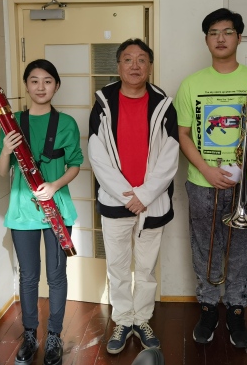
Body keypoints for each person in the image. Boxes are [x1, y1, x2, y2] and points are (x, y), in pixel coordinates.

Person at [174, 8, 247, 348]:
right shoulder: (191, 84)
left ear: (239, 37)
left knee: (240, 249)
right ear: (206, 39)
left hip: (245, 181)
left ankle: (236, 310)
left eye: (228, 32)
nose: (220, 38)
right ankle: (208, 308)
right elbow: (183, 134)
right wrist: (207, 170)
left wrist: (241, 167)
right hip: (202, 182)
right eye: (213, 33)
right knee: (203, 248)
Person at [88, 39, 179, 354]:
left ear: (150, 66)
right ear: (119, 65)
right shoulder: (103, 104)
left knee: (146, 267)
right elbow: (97, 154)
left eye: (142, 59)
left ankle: (142, 319)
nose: (135, 65)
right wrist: (128, 195)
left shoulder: (163, 105)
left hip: (153, 202)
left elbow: (170, 155)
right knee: (117, 266)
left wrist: (144, 195)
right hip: (116, 202)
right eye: (128, 59)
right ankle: (123, 320)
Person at [0, 59, 83, 365]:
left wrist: (54, 185)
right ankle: (30, 334)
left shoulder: (67, 123)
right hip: (22, 212)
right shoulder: (12, 122)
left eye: (47, 81)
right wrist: (7, 149)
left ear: (56, 86)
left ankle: (54, 335)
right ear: (26, 85)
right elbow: (1, 170)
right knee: (28, 276)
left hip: (57, 210)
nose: (41, 87)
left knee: (57, 276)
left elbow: (75, 164)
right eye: (34, 80)